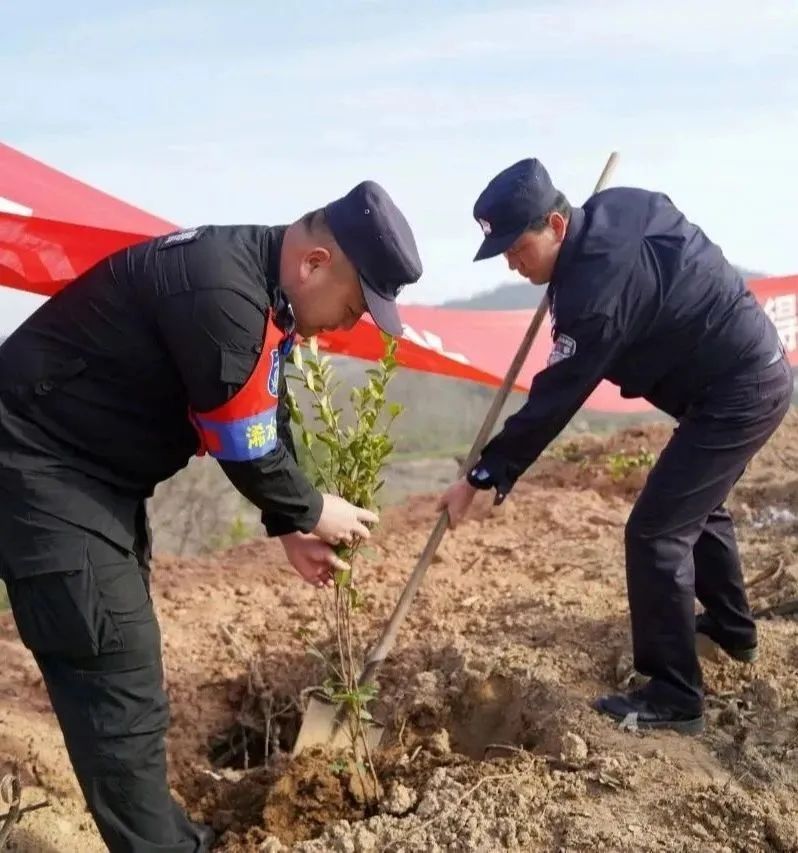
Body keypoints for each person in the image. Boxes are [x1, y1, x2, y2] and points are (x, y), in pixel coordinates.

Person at [0, 179, 422, 851]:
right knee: (113, 675)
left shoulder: (258, 284)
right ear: (315, 263)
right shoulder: (222, 292)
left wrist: (288, 524)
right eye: (352, 306)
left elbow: (267, 397)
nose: (347, 326)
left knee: (119, 669)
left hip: (89, 476)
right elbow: (241, 439)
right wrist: (312, 509)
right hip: (39, 467)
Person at [438, 157, 792, 735]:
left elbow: (557, 397)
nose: (510, 261)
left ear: (556, 225)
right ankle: (732, 629)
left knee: (655, 533)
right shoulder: (620, 204)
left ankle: (676, 696)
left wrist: (488, 473)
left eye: (517, 248)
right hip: (742, 374)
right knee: (699, 507)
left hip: (738, 392)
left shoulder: (594, 295)